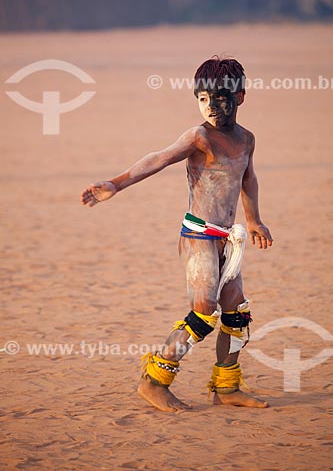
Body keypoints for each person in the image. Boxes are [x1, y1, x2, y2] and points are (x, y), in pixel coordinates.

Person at [80, 57, 273, 412]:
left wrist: (255, 219)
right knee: (203, 313)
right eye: (203, 99)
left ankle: (226, 386)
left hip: (227, 241)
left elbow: (248, 178)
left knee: (236, 312)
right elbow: (159, 158)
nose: (211, 107)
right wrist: (116, 184)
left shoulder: (246, 139)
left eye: (220, 98)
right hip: (199, 238)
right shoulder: (199, 136)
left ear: (241, 96)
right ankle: (154, 382)